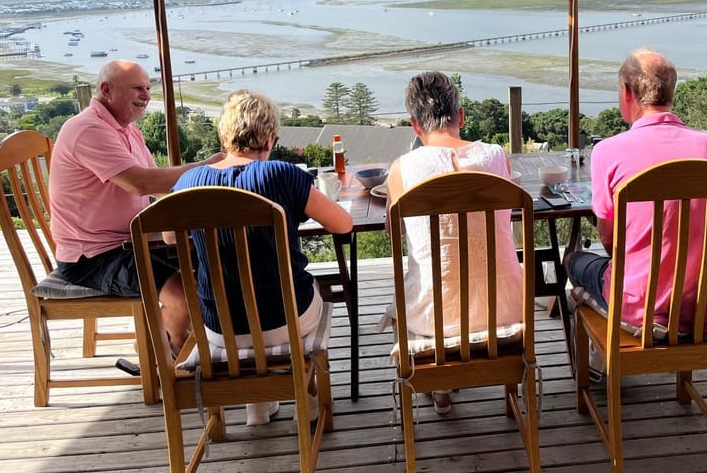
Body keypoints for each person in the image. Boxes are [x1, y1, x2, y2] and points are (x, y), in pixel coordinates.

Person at [171, 89, 352, 425]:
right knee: (316, 290)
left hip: (218, 328)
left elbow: (170, 237)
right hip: (285, 322)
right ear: (269, 138)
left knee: (238, 299)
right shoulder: (283, 176)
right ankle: (309, 401)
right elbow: (343, 225)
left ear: (224, 136)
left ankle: (257, 405)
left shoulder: (188, 183)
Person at [50, 60, 224, 355]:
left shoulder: (126, 129)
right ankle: (172, 354)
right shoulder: (88, 130)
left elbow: (158, 187)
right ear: (106, 90)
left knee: (209, 268)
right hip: (94, 256)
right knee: (186, 292)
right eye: (136, 88)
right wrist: (205, 167)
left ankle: (155, 342)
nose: (145, 95)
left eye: (147, 88)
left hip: (130, 241)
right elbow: (139, 183)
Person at [566, 49, 707, 338]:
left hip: (638, 305)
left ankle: (595, 361)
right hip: (701, 302)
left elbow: (609, 241)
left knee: (574, 261)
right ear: (672, 91)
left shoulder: (608, 150)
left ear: (628, 93)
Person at [385, 71, 522, 415]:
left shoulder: (403, 169)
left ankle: (441, 388)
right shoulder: (496, 157)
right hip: (504, 314)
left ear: (415, 125)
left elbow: (393, 232)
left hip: (434, 321)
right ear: (460, 116)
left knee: (424, 286)